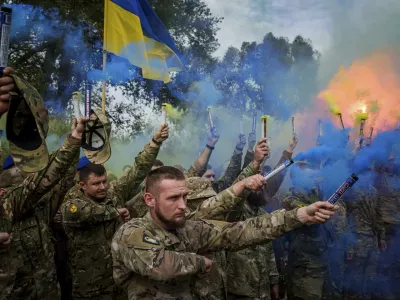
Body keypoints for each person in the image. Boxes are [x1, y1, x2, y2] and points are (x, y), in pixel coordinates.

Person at [112, 166, 338, 300]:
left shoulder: (190, 228)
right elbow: (160, 265)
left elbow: (242, 231)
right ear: (149, 200)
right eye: (173, 198)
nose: (182, 205)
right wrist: (201, 262)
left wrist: (298, 216)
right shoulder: (132, 232)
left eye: (184, 197)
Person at [61, 124, 169, 300]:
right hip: (89, 285)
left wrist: (155, 143)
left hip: (120, 280)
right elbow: (85, 212)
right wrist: (116, 213)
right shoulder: (72, 203)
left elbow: (137, 170)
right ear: (82, 185)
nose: (103, 187)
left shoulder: (113, 193)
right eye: (96, 184)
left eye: (105, 181)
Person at [0, 116, 86, 300]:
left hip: (49, 291)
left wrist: (75, 145)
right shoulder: (9, 204)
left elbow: (62, 179)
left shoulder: (41, 208)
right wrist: (71, 142)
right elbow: (42, 181)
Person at [225, 134, 298, 300]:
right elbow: (236, 190)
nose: (261, 185)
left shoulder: (262, 213)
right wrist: (255, 160)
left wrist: (273, 281)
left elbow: (268, 251)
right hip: (239, 290)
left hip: (262, 288)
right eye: (255, 182)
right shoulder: (235, 212)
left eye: (263, 184)